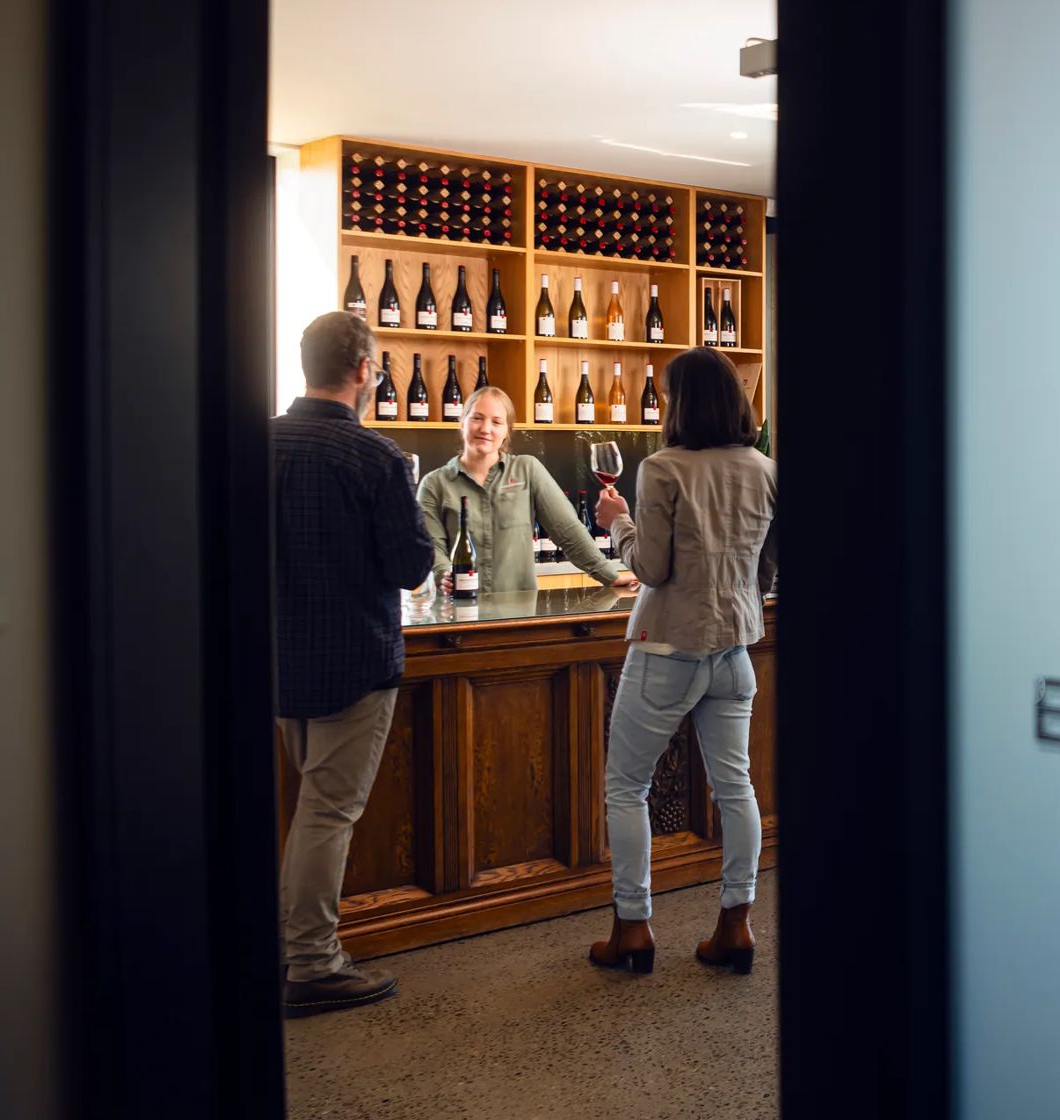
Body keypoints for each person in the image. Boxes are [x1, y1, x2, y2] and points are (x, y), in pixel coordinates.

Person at [588, 348, 778, 976]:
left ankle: (634, 927)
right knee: (736, 787)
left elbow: (650, 568)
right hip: (734, 651)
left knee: (626, 786)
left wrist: (617, 524)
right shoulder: (765, 468)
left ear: (682, 403)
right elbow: (769, 565)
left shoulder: (661, 469)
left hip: (667, 649)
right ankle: (736, 924)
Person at [273, 311, 435, 1017]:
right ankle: (312, 963)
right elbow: (410, 564)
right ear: (366, 371)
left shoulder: (253, 445)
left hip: (277, 656)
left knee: (305, 808)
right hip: (352, 661)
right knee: (326, 815)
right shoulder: (377, 459)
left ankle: (298, 947)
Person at [416, 385, 637, 594]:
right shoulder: (434, 484)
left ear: (507, 431)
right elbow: (431, 546)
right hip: (456, 610)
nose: (485, 429)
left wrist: (610, 576)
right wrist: (444, 574)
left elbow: (568, 531)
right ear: (462, 422)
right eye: (477, 418)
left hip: (517, 610)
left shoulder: (527, 470)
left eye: (497, 422)